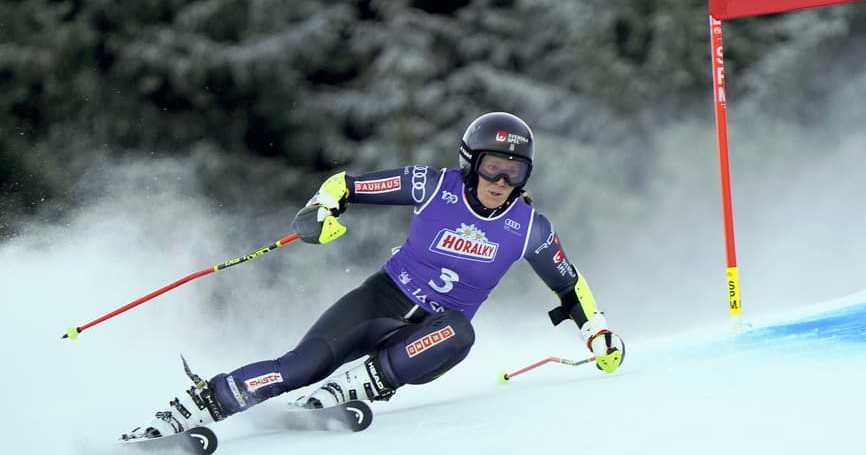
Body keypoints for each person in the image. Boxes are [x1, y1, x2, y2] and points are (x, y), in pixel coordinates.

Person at [125, 112, 625, 438]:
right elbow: (347, 184)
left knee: (460, 330)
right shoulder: (432, 185)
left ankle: (354, 388)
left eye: (514, 173)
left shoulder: (528, 230)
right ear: (471, 164)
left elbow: (568, 282)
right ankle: (193, 408)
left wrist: (597, 329)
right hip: (380, 299)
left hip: (429, 338)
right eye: (493, 167)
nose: (500, 182)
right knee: (299, 366)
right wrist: (321, 208)